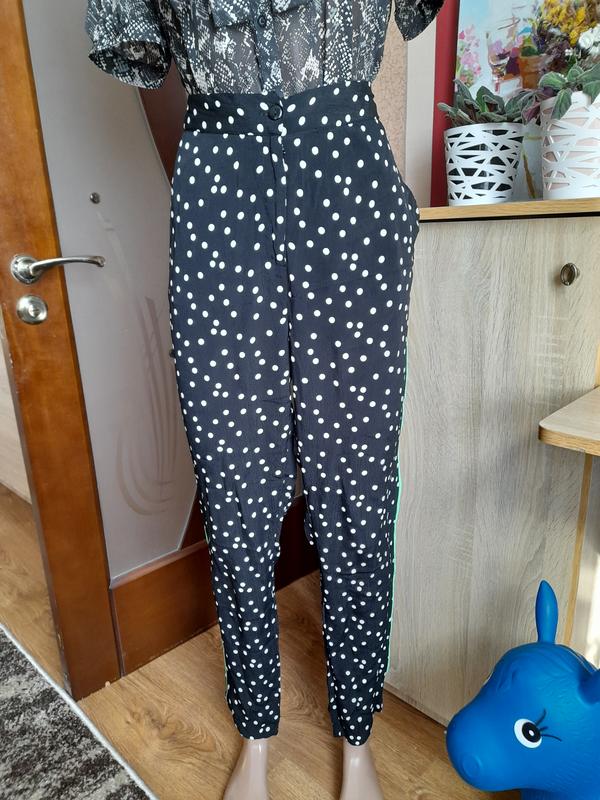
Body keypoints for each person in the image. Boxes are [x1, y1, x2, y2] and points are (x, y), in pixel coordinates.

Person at [84, 1, 446, 797]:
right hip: (220, 187)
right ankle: (255, 728)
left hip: (348, 183)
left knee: (357, 478)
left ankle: (356, 733)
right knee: (234, 479)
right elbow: (143, 49)